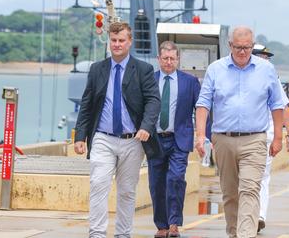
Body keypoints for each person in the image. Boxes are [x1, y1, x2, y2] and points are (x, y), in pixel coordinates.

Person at [195, 26, 285, 238]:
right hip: (223, 140)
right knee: (230, 194)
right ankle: (234, 233)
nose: (243, 52)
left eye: (247, 47)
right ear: (230, 46)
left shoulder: (266, 70)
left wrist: (279, 137)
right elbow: (203, 104)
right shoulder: (216, 69)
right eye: (238, 48)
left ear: (252, 46)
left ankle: (246, 235)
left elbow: (277, 104)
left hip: (255, 139)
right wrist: (200, 135)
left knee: (250, 191)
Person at [74, 21, 162, 238]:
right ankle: (97, 233)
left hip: (133, 140)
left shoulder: (143, 70)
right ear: (109, 42)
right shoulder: (97, 69)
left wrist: (146, 127)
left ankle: (123, 234)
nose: (117, 44)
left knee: (126, 191)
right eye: (113, 40)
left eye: (121, 40)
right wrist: (80, 135)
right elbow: (86, 104)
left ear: (129, 42)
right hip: (103, 138)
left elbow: (153, 101)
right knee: (98, 183)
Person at [148, 41, 201, 238]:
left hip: (179, 139)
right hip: (155, 140)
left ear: (178, 59)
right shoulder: (150, 80)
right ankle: (161, 225)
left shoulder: (190, 82)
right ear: (158, 59)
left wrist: (204, 136)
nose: (169, 62)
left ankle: (174, 223)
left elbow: (201, 110)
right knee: (156, 183)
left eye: (172, 58)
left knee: (176, 179)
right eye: (165, 58)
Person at [251, 44, 289, 233]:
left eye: (267, 58)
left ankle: (259, 215)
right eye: (262, 57)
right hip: (241, 134)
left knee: (262, 176)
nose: (266, 61)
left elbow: (282, 107)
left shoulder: (272, 78)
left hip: (267, 134)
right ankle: (247, 214)